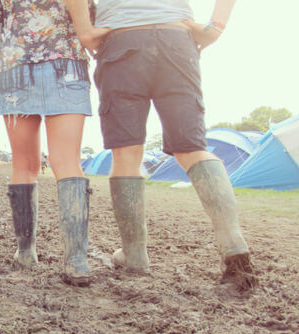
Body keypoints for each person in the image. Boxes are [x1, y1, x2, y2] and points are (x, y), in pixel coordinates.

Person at [76, 0, 257, 290]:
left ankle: (134, 256)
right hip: (176, 39)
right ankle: (233, 244)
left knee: (126, 155)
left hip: (122, 40)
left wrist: (84, 30)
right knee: (192, 148)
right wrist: (216, 28)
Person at [0, 0, 96, 285]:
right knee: (67, 161)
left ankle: (26, 252)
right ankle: (77, 260)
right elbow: (90, 19)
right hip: (67, 65)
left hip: (15, 71)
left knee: (24, 165)